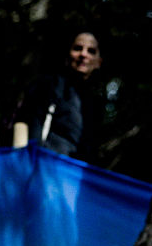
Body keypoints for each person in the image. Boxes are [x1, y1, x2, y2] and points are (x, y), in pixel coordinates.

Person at [13, 31, 104, 161]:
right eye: (77, 48)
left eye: (91, 51)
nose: (83, 54)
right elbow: (22, 122)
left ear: (98, 62)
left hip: (73, 175)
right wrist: (22, 161)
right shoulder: (47, 84)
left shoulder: (95, 105)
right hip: (39, 165)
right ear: (68, 55)